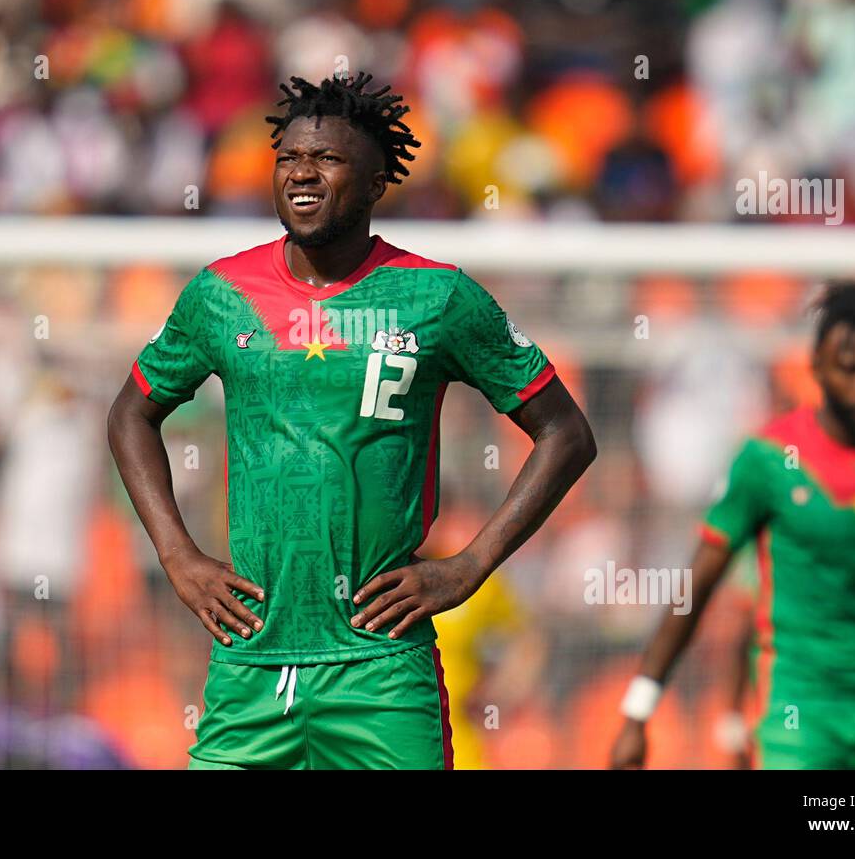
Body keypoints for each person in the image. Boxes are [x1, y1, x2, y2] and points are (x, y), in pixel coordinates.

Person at [108, 72, 596, 769]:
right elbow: (132, 413)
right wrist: (177, 554)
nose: (303, 173)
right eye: (289, 159)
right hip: (253, 662)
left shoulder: (438, 296)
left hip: (381, 667)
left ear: (375, 184)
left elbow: (566, 433)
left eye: (329, 159)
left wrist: (469, 565)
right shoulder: (220, 294)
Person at [610, 282, 855, 769]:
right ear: (817, 369)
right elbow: (699, 585)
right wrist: (638, 711)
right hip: (800, 714)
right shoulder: (768, 460)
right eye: (851, 370)